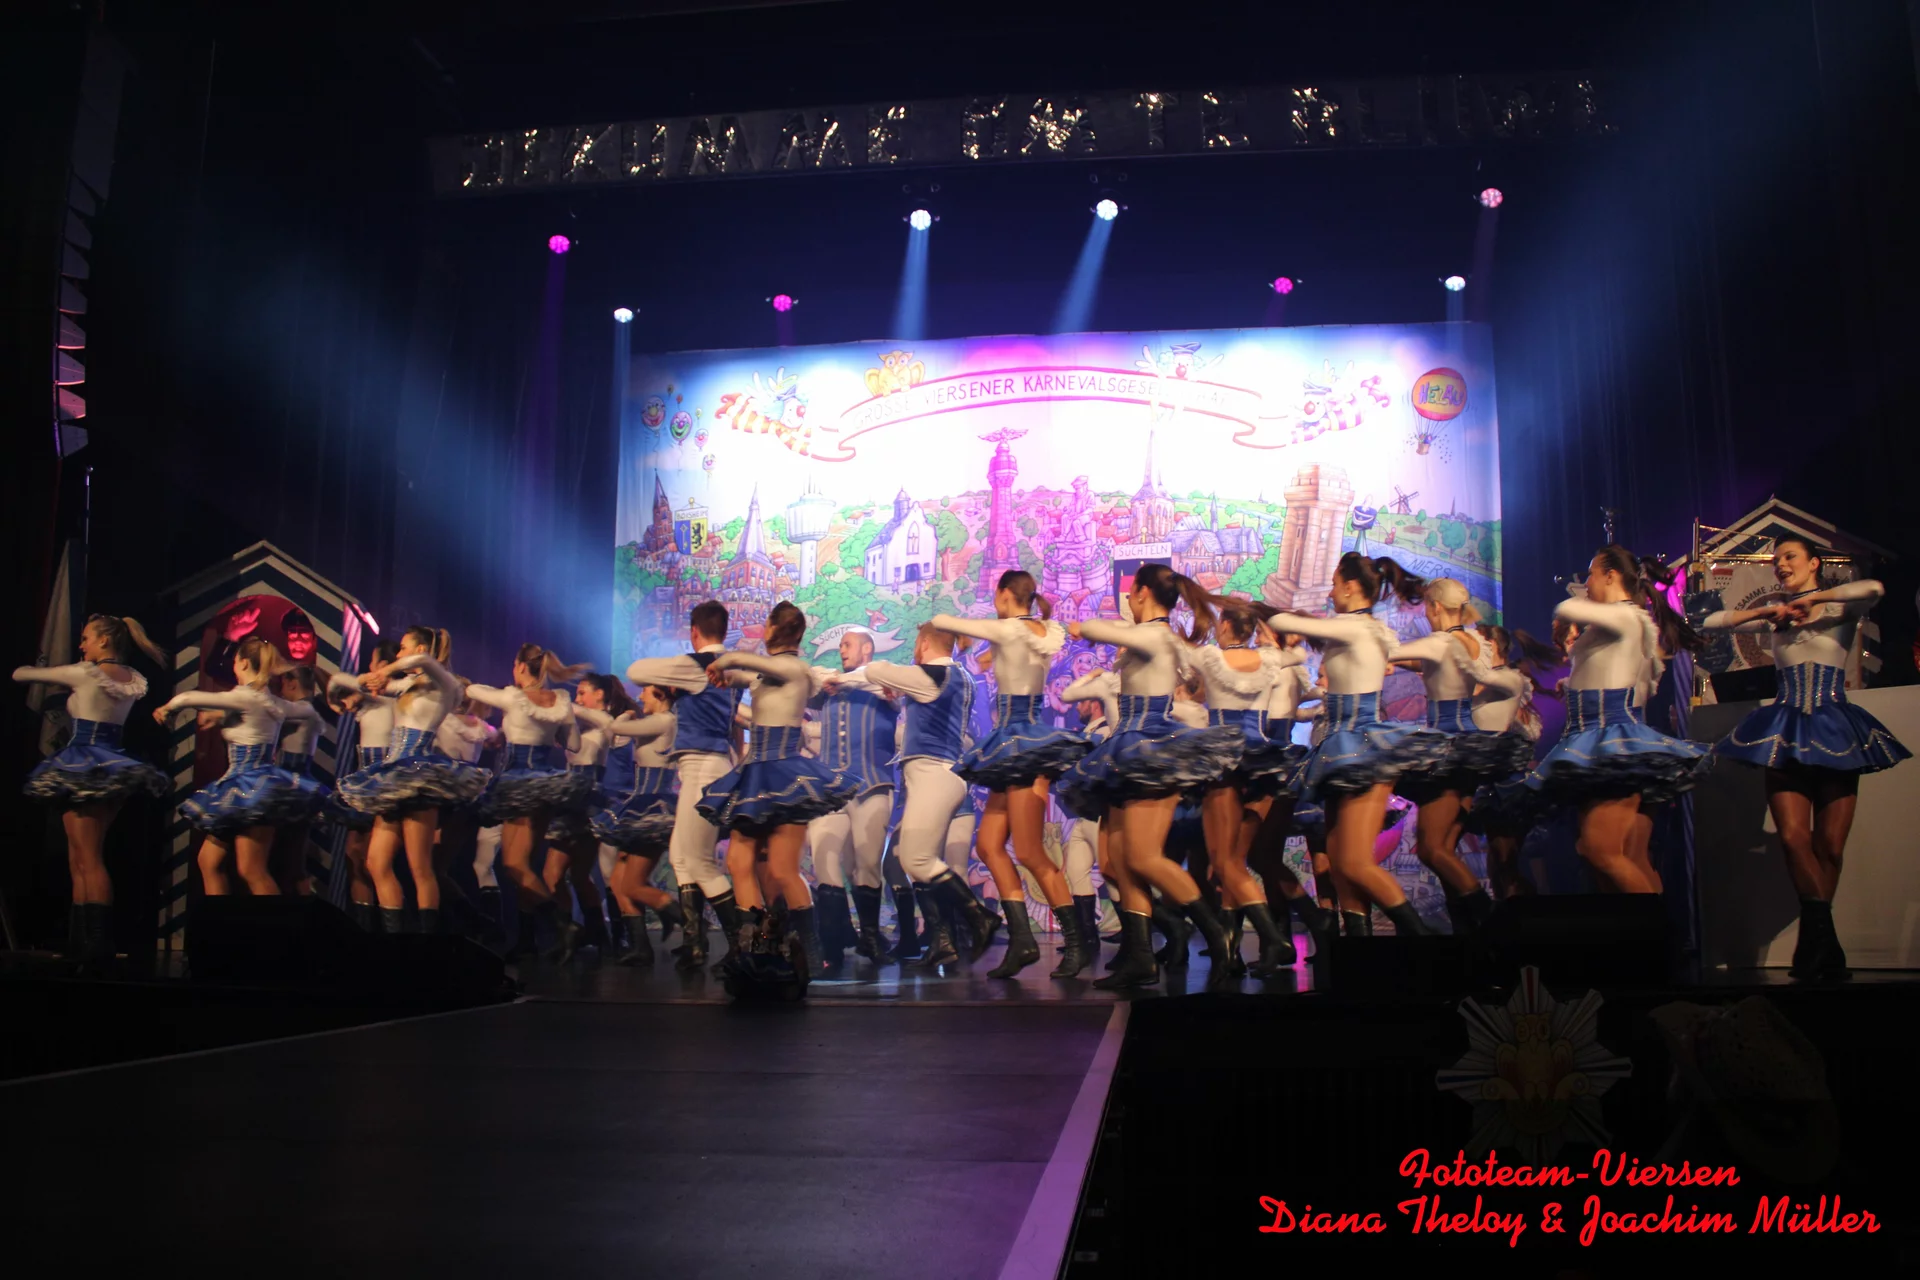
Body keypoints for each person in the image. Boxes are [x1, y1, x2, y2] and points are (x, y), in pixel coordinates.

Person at [1700, 536, 1908, 978]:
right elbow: (1709, 621)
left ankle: (1814, 948)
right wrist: (1763, 612)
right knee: (1794, 837)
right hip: (1786, 729)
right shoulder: (1776, 616)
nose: (1780, 564)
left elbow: (1874, 589)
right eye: (1776, 559)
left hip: (1833, 727)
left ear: (1814, 563)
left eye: (1789, 556)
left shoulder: (1837, 608)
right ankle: (1825, 942)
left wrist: (1813, 600)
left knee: (1830, 846)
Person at [1062, 564, 1244, 990]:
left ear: (1143, 593)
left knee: (1144, 857)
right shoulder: (1150, 634)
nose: (1127, 598)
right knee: (1117, 861)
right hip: (1127, 749)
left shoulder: (1157, 635)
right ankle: (1141, 956)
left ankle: (1219, 937)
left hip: (1150, 749)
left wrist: (1082, 627)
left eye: (1131, 592)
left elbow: (1098, 629)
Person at [1269, 553, 1441, 939]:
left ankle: (1421, 940)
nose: (1330, 593)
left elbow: (1280, 621)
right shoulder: (1358, 628)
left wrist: (1295, 622)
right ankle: (1357, 948)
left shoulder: (1357, 627)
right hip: (1339, 746)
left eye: (1334, 585)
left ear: (1349, 587)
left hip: (1360, 744)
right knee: (1339, 862)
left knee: (1354, 862)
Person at [936, 571, 1096, 978]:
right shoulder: (1044, 631)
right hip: (1013, 744)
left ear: (1004, 594)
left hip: (1020, 743)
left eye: (996, 595)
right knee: (989, 845)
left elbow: (942, 620)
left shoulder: (1010, 629)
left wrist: (964, 635)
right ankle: (1022, 939)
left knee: (1029, 852)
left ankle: (1077, 942)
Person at [1527, 545, 1709, 894]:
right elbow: (1617, 674)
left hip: (1613, 742)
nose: (1587, 582)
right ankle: (1640, 927)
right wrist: (1573, 686)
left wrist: (1575, 601)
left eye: (1591, 574)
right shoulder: (1618, 623)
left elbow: (1568, 608)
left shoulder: (1626, 617)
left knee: (1600, 851)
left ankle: (1654, 928)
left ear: (1610, 575)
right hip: (1596, 740)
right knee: (1623, 856)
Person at [697, 602, 858, 993]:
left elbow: (745, 664)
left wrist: (724, 661)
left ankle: (811, 952)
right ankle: (751, 950)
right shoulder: (767, 671)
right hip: (756, 772)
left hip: (785, 772)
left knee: (784, 870)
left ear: (774, 628)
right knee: (738, 862)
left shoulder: (794, 669)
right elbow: (745, 675)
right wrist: (725, 675)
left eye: (766, 625)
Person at [15, 614, 170, 973]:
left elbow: (22, 674)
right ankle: (82, 942)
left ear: (104, 641)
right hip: (114, 762)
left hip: (85, 761)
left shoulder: (87, 673)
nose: (81, 645)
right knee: (81, 857)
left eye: (86, 638)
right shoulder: (133, 679)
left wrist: (42, 673)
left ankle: (97, 944)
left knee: (88, 856)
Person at [1387, 579, 1534, 935]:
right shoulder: (1476, 642)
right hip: (1470, 747)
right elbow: (1431, 665)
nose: (1425, 613)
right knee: (1444, 847)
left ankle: (1491, 920)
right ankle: (1467, 931)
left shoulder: (1440, 641)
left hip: (1446, 746)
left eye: (1426, 606)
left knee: (1432, 849)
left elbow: (1392, 652)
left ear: (1435, 607)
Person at [857, 620, 1002, 971]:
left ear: (923, 643)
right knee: (916, 861)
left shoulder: (932, 676)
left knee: (917, 859)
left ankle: (979, 917)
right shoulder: (956, 677)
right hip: (938, 776)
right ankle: (943, 943)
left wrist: (890, 682)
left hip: (933, 775)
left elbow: (876, 670)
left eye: (916, 643)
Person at [158, 637, 327, 898]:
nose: (233, 665)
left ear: (244, 663)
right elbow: (305, 712)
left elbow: (190, 697)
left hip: (249, 787)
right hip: (243, 787)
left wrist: (168, 708)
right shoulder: (272, 702)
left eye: (235, 660)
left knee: (251, 869)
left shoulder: (245, 696)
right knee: (209, 862)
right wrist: (220, 716)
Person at [628, 601, 745, 973]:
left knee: (700, 861)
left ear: (694, 632)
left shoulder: (696, 666)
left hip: (705, 767)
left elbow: (635, 671)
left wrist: (670, 676)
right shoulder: (728, 666)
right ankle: (694, 942)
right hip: (702, 766)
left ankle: (740, 947)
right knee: (681, 856)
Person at [466, 644, 591, 959]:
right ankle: (527, 940)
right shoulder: (560, 701)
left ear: (521, 666)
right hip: (546, 783)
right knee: (525, 864)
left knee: (513, 864)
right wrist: (552, 731)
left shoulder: (513, 697)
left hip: (519, 783)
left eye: (514, 665)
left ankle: (563, 923)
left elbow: (473, 690)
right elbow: (574, 744)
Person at [1232, 627, 1334, 964]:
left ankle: (1297, 930)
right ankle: (1281, 941)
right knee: (1264, 856)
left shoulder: (1275, 667)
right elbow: (1289, 711)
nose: (1256, 637)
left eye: (1261, 631)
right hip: (1277, 765)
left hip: (1271, 767)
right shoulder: (1286, 669)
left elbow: (1273, 720)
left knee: (1257, 856)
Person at [804, 628, 900, 969]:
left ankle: (870, 938)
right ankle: (831, 942)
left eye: (847, 644)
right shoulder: (828, 687)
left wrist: (843, 681)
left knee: (866, 864)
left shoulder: (883, 679)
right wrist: (828, 680)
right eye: (840, 645)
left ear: (867, 649)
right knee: (825, 857)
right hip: (831, 787)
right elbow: (806, 683)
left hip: (871, 784)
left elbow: (887, 690)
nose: (841, 650)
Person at [592, 684, 685, 964]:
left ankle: (688, 922)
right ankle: (641, 946)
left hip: (652, 808)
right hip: (640, 804)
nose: (640, 695)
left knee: (631, 884)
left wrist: (625, 715)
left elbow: (614, 727)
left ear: (661, 695)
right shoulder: (656, 721)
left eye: (646, 691)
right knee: (618, 882)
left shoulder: (663, 720)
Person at [1462, 625, 1557, 899]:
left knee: (1507, 859)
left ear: (1491, 645)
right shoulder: (1491, 684)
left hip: (1510, 785)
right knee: (1498, 859)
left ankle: (1520, 915)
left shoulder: (1508, 680)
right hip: (1490, 782)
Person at [325, 640, 399, 930]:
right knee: (354, 855)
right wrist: (346, 695)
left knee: (373, 861)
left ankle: (387, 928)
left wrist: (360, 687)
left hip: (386, 784)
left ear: (383, 666)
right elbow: (334, 683)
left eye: (372, 661)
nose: (368, 667)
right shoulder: (368, 696)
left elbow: (338, 682)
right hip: (364, 781)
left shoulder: (393, 695)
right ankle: (362, 926)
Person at [268, 665, 330, 897]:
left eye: (283, 684)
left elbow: (270, 708)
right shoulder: (305, 709)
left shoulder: (303, 709)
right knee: (290, 861)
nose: (281, 690)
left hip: (292, 789)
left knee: (290, 862)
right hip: (292, 788)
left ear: (292, 683)